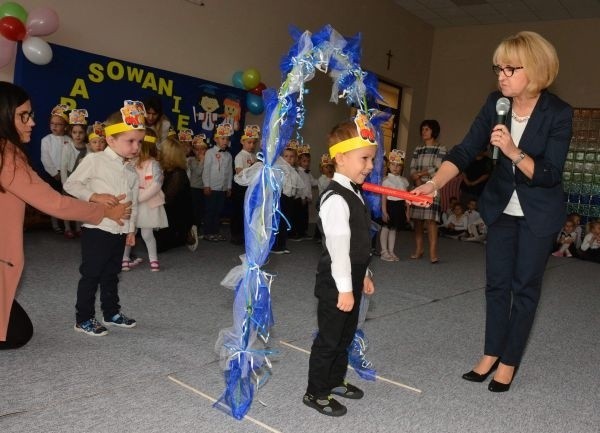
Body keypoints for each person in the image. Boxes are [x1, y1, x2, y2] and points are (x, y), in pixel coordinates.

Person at [412, 31, 573, 392]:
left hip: (539, 212)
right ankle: (490, 353)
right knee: (497, 284)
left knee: (525, 288)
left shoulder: (558, 113)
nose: (501, 75)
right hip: (501, 207)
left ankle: (509, 361)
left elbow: (550, 174)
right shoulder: (494, 103)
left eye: (509, 68)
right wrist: (435, 184)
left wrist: (514, 151)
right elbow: (466, 149)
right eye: (498, 67)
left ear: (534, 69)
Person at [0, 82, 130, 349]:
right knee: (17, 334)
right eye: (23, 115)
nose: (32, 122)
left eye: (31, 114)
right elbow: (56, 204)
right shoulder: (6, 156)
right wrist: (103, 211)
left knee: (16, 327)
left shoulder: (10, 153)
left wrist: (93, 197)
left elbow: (45, 192)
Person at [304, 116, 376, 417]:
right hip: (336, 282)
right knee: (329, 338)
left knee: (345, 336)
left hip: (351, 276)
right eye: (365, 159)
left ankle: (334, 381)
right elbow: (337, 249)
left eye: (371, 159)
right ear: (341, 158)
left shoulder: (354, 191)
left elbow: (357, 243)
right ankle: (316, 392)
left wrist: (365, 274)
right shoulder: (335, 198)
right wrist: (345, 289)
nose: (370, 166)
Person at [64, 100, 145, 336]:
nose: (136, 147)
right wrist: (94, 195)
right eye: (130, 141)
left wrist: (131, 229)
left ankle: (111, 312)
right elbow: (71, 184)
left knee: (112, 273)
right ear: (110, 140)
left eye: (139, 142)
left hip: (118, 232)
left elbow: (134, 202)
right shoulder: (94, 160)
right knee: (92, 274)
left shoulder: (131, 169)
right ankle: (84, 318)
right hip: (97, 228)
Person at [122, 130, 168, 271]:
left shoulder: (154, 164)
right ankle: (124, 258)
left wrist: (139, 198)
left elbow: (156, 185)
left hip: (147, 203)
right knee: (130, 231)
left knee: (147, 233)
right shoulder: (130, 162)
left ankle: (153, 260)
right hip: (133, 201)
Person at [408, 119, 446, 263]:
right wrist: (416, 179)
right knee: (417, 220)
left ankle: (433, 252)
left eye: (427, 129)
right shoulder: (418, 149)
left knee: (431, 221)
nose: (424, 132)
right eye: (422, 129)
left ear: (434, 131)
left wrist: (421, 175)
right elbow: (412, 167)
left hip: (433, 187)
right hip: (417, 186)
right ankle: (419, 249)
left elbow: (438, 167)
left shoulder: (441, 148)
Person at [154, 137, 196, 252]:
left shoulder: (177, 174)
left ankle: (185, 235)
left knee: (158, 246)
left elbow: (167, 200)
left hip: (176, 217)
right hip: (171, 213)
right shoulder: (169, 170)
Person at [40, 104, 74, 234]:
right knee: (53, 199)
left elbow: (72, 157)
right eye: (52, 123)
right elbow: (45, 159)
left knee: (67, 199)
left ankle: (68, 225)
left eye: (58, 124)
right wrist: (54, 173)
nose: (54, 126)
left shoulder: (69, 140)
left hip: (68, 174)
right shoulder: (46, 140)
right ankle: (55, 225)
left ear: (65, 126)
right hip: (53, 175)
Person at [61, 109, 90, 238]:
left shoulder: (88, 148)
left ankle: (78, 227)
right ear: (70, 133)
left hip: (81, 183)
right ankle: (67, 228)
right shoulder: (67, 147)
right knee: (67, 206)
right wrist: (65, 183)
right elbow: (63, 167)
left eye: (81, 133)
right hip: (69, 181)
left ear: (85, 133)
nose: (77, 135)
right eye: (74, 132)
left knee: (79, 205)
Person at [202, 123, 233, 242]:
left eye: (227, 139)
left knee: (218, 211)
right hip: (212, 187)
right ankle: (207, 232)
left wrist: (229, 187)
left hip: (222, 188)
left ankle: (215, 231)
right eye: (222, 138)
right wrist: (206, 185)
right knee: (210, 210)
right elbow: (206, 170)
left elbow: (230, 171)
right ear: (216, 139)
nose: (225, 141)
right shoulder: (210, 152)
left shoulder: (229, 155)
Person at [231, 125, 259, 245]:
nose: (251, 145)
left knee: (248, 211)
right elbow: (239, 172)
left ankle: (244, 234)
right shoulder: (240, 156)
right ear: (242, 142)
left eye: (253, 143)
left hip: (249, 186)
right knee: (238, 210)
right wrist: (252, 168)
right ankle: (236, 235)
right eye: (249, 142)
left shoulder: (253, 156)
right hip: (240, 187)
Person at [380, 149, 409, 261]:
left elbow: (407, 198)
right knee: (386, 228)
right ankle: (384, 251)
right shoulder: (386, 180)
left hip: (399, 206)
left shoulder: (404, 181)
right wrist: (384, 211)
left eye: (398, 165)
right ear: (388, 165)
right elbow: (384, 198)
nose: (395, 167)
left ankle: (391, 251)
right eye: (393, 164)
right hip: (389, 206)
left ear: (402, 167)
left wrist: (407, 212)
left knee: (394, 229)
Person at [293, 144, 318, 241]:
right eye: (304, 161)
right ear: (299, 161)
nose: (307, 163)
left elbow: (313, 182)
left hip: (306, 199)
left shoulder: (308, 173)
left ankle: (303, 232)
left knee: (305, 216)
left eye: (308, 161)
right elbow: (299, 187)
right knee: (298, 216)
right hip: (300, 198)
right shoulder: (298, 172)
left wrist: (325, 179)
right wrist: (303, 197)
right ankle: (297, 233)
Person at [188, 133, 207, 239]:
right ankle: (193, 229)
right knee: (195, 210)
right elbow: (199, 172)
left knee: (201, 210)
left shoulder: (208, 159)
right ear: (193, 150)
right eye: (197, 149)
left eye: (202, 149)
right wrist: (202, 160)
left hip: (203, 188)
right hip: (194, 188)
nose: (199, 152)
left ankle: (198, 228)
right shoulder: (192, 160)